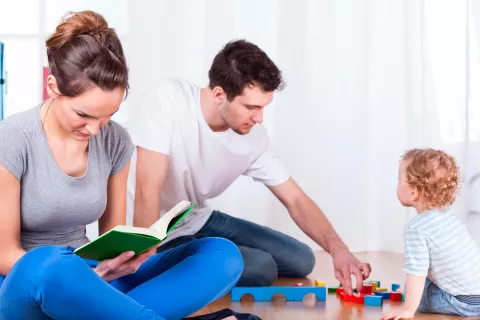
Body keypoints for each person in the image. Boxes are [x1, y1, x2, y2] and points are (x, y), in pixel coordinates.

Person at [0, 11, 243, 320]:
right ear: (52, 87)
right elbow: (5, 254)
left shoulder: (116, 141)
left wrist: (128, 253)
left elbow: (111, 236)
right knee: (48, 263)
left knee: (221, 255)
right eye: (83, 115)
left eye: (106, 117)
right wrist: (82, 281)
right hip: (26, 282)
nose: (95, 130)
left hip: (95, 276)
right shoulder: (11, 138)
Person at [127, 39, 371, 293]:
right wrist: (146, 261)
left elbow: (296, 199)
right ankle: (186, 259)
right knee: (262, 268)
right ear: (219, 94)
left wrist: (340, 250)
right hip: (156, 231)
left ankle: (201, 255)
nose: (259, 118)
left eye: (263, 107)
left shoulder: (254, 136)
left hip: (194, 217)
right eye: (251, 107)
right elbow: (147, 189)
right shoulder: (169, 98)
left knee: (302, 259)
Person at [382, 149, 480, 320]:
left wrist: (408, 310)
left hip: (465, 303)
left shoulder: (417, 229)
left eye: (399, 181)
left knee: (412, 289)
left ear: (413, 192)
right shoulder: (447, 214)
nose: (397, 184)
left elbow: (417, 273)